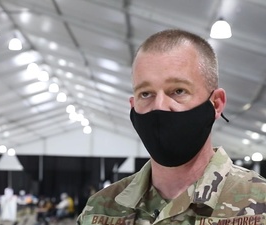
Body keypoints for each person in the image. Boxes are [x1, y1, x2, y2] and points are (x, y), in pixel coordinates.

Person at [77, 29, 266, 225]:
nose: (159, 106)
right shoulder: (100, 209)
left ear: (216, 103)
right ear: (133, 106)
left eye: (178, 91)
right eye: (146, 93)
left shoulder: (260, 204)